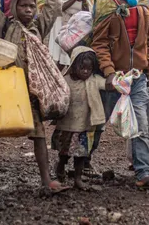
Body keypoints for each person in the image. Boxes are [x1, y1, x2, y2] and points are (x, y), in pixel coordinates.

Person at [0, 0, 68, 194]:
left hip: (32, 92)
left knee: (39, 136)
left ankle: (46, 181)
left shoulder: (39, 27)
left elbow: (55, 5)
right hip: (9, 88)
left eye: (31, 6)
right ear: (15, 6)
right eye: (23, 6)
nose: (28, 10)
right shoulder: (4, 26)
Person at [90, 0, 149, 191]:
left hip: (137, 77)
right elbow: (99, 43)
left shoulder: (143, 5)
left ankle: (143, 171)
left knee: (141, 124)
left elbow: (148, 41)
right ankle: (82, 163)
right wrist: (109, 73)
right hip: (111, 78)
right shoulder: (106, 3)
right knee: (97, 123)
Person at [52, 47, 106, 190]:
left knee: (81, 155)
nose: (86, 72)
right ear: (73, 66)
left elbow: (108, 84)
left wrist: (122, 80)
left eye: (89, 69)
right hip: (67, 127)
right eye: (82, 68)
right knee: (64, 153)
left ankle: (77, 178)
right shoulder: (65, 81)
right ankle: (60, 167)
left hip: (84, 127)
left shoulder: (94, 80)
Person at [49, 0, 94, 67]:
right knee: (60, 56)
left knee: (71, 56)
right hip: (63, 23)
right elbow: (59, 8)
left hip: (77, 27)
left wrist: (83, 0)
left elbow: (87, 12)